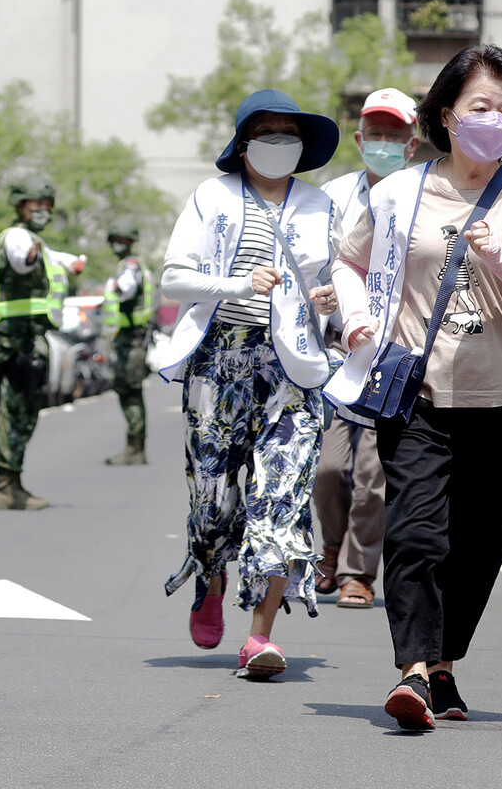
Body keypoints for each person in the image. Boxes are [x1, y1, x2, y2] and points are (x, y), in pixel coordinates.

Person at [326, 45, 502, 730]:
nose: (496, 119)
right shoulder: (399, 193)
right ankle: (412, 668)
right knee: (417, 533)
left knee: (479, 544)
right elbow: (348, 265)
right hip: (419, 392)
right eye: (481, 107)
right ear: (446, 115)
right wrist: (354, 322)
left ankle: (443, 663)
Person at [155, 89, 341, 679]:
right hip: (220, 362)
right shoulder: (211, 198)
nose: (279, 141)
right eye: (267, 131)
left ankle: (260, 636)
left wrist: (334, 296)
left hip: (292, 369)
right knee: (212, 500)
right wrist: (236, 284)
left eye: (290, 132)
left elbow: (344, 276)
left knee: (282, 497)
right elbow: (173, 279)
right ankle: (210, 575)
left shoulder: (320, 206)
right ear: (243, 143)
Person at [313, 88, 421, 609]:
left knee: (373, 475)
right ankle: (329, 549)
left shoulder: (426, 196)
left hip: (395, 353)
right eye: (374, 134)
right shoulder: (332, 197)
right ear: (359, 139)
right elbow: (313, 268)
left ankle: (359, 572)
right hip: (337, 350)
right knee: (329, 469)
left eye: (393, 135)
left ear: (413, 142)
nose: (382, 143)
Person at [0, 177, 84, 510]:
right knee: (16, 411)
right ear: (20, 207)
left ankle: (12, 483)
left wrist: (71, 262)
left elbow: (54, 257)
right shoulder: (17, 238)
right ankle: (7, 487)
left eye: (47, 207)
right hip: (16, 340)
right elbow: (20, 259)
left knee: (25, 410)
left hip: (28, 338)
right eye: (36, 206)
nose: (42, 212)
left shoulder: (34, 240)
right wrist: (29, 258)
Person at [100, 219, 155, 466]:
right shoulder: (132, 264)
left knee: (129, 390)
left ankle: (135, 448)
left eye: (122, 241)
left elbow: (127, 289)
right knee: (128, 390)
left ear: (130, 242)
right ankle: (134, 447)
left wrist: (115, 286)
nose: (117, 245)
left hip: (131, 340)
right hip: (130, 338)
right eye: (115, 241)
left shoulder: (130, 266)